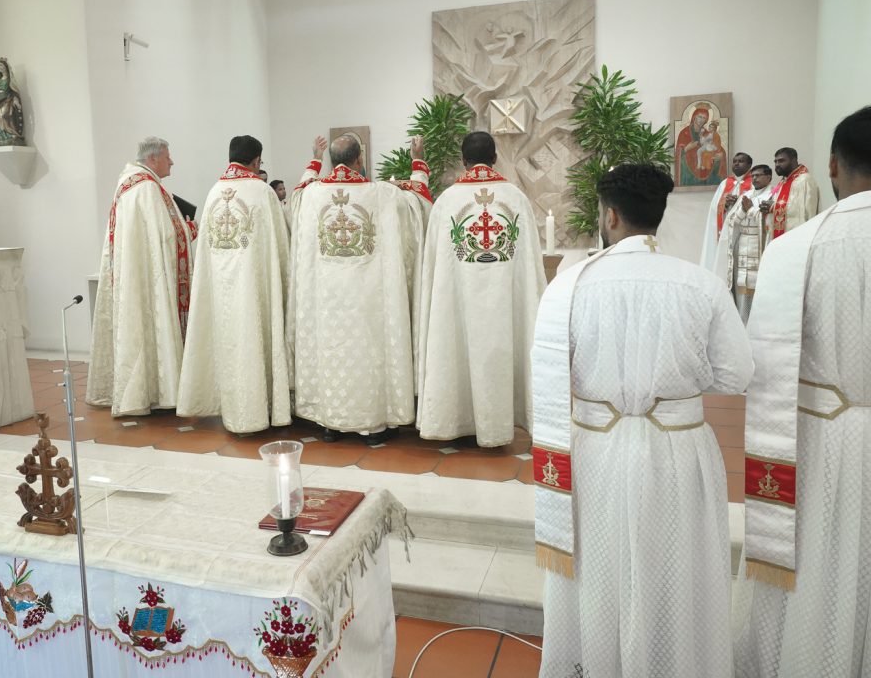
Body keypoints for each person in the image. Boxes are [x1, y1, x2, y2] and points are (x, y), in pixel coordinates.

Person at [532, 164, 753, 678]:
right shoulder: (701, 284)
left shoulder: (569, 286)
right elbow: (736, 374)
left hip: (596, 447)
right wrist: (675, 382)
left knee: (599, 567)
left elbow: (550, 367)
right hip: (678, 447)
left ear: (610, 216)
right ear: (660, 214)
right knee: (675, 567)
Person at [733, 107, 871, 678]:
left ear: (832, 166)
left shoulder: (793, 251)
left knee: (819, 564)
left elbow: (761, 367)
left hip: (820, 438)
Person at [286, 134, 422, 445]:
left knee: (333, 353)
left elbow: (296, 195)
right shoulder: (382, 194)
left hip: (327, 300)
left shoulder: (311, 196)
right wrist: (418, 163)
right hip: (368, 300)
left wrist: (314, 159)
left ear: (332, 161)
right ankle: (373, 425)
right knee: (368, 353)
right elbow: (418, 204)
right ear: (359, 160)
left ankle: (331, 423)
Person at [416, 132, 546, 447]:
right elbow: (529, 265)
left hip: (456, 302)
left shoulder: (447, 201)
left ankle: (454, 420)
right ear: (495, 158)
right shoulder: (516, 198)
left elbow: (433, 265)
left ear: (463, 160)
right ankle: (498, 425)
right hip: (504, 306)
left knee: (453, 344)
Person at [176, 136, 291, 434]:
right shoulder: (261, 191)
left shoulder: (214, 192)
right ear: (256, 161)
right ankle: (258, 409)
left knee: (226, 344)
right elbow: (280, 244)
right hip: (253, 288)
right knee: (253, 341)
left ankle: (228, 407)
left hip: (220, 291)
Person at [87, 137, 193, 417]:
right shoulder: (146, 188)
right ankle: (159, 390)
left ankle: (145, 390)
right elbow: (167, 236)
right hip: (148, 279)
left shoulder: (129, 183)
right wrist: (190, 229)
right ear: (153, 159)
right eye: (168, 157)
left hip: (137, 276)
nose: (172, 162)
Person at [721, 163, 773, 323]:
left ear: (769, 177)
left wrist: (750, 210)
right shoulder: (746, 195)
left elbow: (769, 223)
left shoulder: (772, 196)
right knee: (740, 285)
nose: (755, 178)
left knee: (757, 286)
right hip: (742, 245)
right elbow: (733, 221)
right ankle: (741, 321)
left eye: (759, 175)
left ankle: (755, 323)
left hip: (760, 245)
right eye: (753, 176)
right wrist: (744, 210)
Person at [700, 151, 753, 272]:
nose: (736, 164)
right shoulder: (725, 183)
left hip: (743, 230)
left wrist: (739, 202)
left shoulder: (754, 182)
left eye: (741, 161)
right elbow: (714, 208)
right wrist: (725, 203)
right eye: (735, 161)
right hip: (725, 230)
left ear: (749, 165)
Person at [761, 146, 820, 243]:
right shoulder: (783, 181)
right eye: (775, 162)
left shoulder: (804, 180)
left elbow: (804, 212)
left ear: (793, 160)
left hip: (796, 238)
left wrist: (774, 207)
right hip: (779, 237)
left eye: (781, 161)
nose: (777, 165)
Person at [675, 104, 727, 185]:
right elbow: (677, 153)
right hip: (688, 168)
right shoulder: (684, 132)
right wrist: (687, 148)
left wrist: (722, 154)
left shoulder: (707, 133)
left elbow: (717, 145)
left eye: (704, 118)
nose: (701, 120)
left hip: (705, 163)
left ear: (706, 120)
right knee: (683, 161)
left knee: (716, 160)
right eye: (699, 116)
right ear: (694, 117)